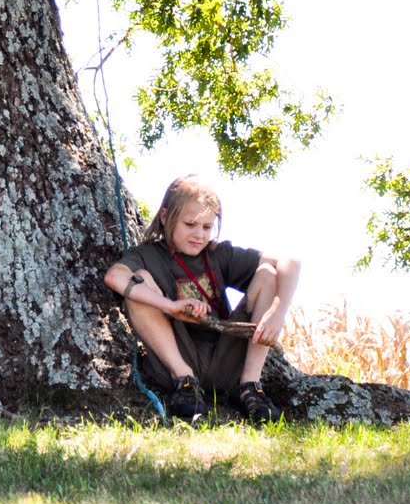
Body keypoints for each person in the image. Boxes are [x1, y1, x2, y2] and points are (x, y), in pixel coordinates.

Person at [104, 174, 300, 423]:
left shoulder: (218, 254)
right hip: (177, 356)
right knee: (138, 280)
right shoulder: (148, 254)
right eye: (190, 224)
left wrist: (277, 313)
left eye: (207, 227)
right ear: (165, 218)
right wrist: (170, 306)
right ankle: (185, 381)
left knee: (269, 275)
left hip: (225, 359)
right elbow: (115, 277)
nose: (199, 234)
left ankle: (250, 386)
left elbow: (291, 262)